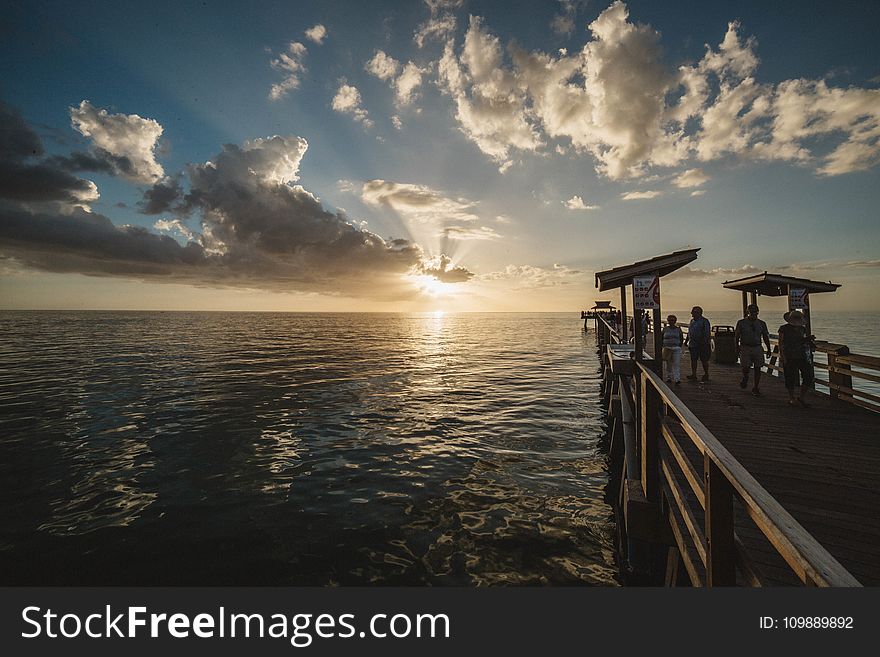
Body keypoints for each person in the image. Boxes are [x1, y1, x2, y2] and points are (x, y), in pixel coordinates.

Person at [778, 310, 814, 407]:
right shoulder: (783, 329)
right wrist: (783, 357)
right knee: (790, 377)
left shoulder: (802, 329)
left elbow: (803, 341)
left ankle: (802, 397)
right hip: (789, 356)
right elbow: (781, 343)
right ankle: (791, 397)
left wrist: (809, 341)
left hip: (802, 356)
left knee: (808, 376)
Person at [735, 304, 772, 397]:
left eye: (755, 311)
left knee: (758, 367)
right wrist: (736, 347)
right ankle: (745, 376)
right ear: (748, 312)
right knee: (745, 367)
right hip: (745, 347)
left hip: (757, 347)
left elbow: (765, 336)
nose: (753, 313)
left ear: (758, 312)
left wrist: (768, 349)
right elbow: (737, 336)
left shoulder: (762, 323)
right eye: (751, 311)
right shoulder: (741, 323)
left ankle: (756, 387)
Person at [685, 306, 711, 382]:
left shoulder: (704, 321)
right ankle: (694, 375)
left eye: (693, 312)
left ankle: (706, 374)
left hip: (703, 345)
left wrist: (703, 343)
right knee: (693, 360)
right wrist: (686, 341)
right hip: (693, 344)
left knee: (704, 360)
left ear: (698, 313)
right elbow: (689, 332)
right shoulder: (692, 321)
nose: (691, 313)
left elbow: (706, 333)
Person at [662, 314, 684, 386]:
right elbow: (661, 337)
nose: (671, 322)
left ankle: (677, 378)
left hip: (676, 348)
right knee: (668, 364)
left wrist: (679, 346)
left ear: (675, 321)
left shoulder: (678, 329)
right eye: (670, 320)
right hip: (667, 348)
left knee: (676, 363)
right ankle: (668, 377)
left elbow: (681, 338)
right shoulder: (665, 329)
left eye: (673, 320)